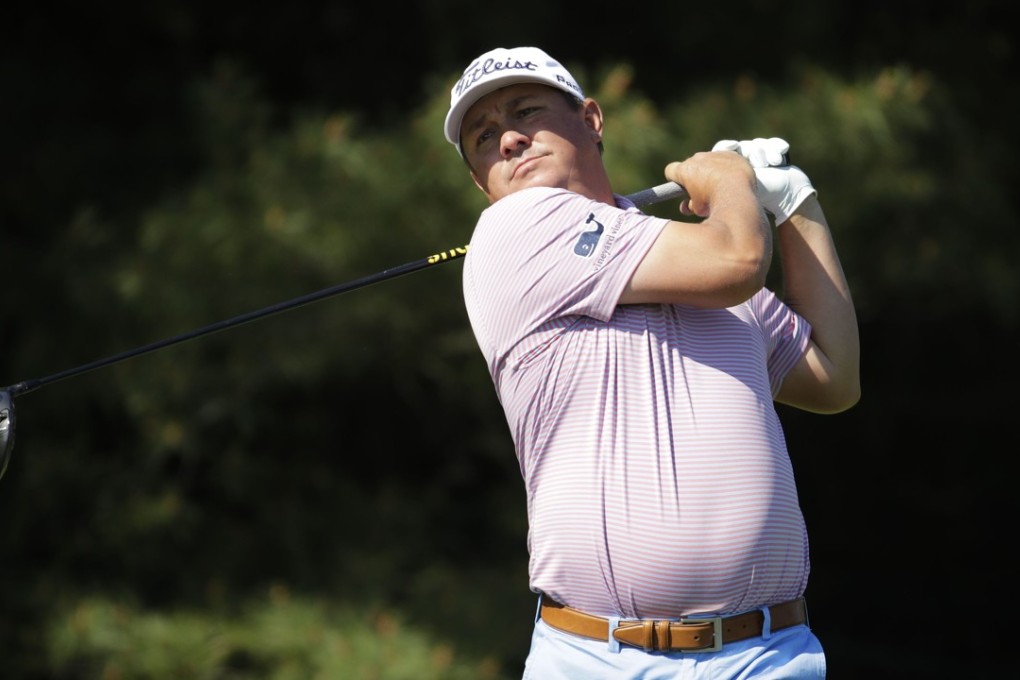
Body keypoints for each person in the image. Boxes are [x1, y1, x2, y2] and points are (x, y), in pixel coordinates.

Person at [443, 46, 860, 679]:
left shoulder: (683, 257)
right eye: (483, 137)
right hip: (597, 659)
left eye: (526, 111)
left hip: (767, 655)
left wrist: (795, 205)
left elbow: (834, 377)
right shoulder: (515, 232)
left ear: (591, 119)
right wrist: (728, 181)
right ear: (481, 181)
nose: (508, 139)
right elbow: (739, 262)